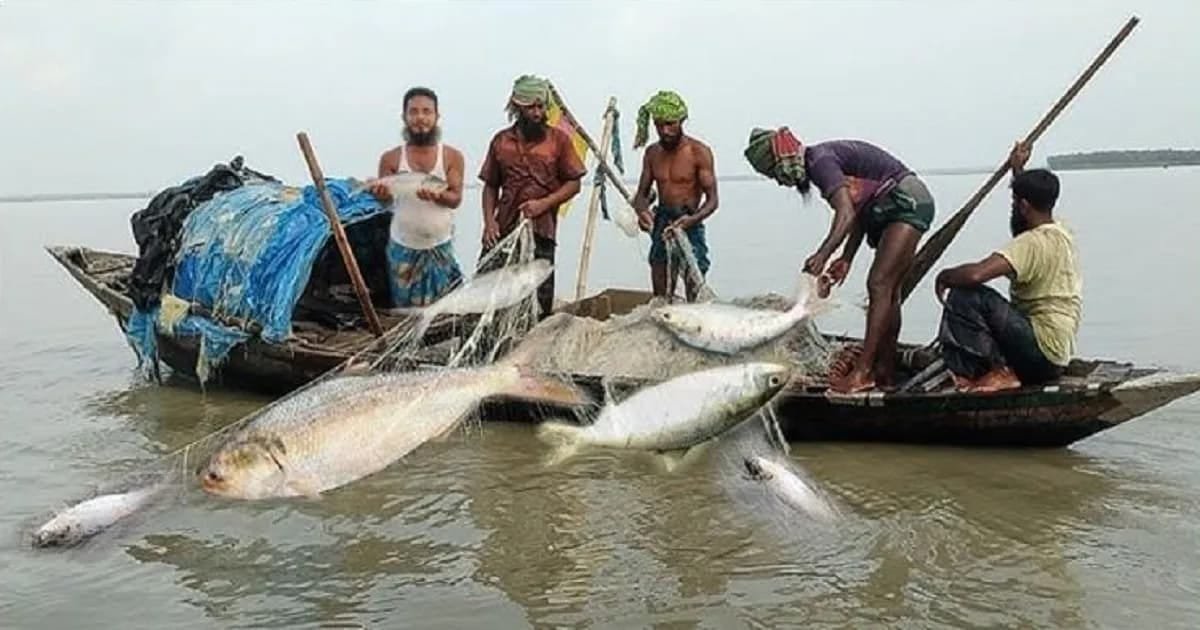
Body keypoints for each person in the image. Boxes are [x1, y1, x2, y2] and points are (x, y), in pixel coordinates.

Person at [743, 127, 935, 393]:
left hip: (906, 203)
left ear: (782, 160)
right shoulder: (821, 163)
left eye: (774, 172)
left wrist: (823, 255)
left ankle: (863, 373)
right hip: (899, 204)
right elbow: (858, 210)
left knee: (879, 285)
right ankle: (885, 371)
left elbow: (845, 214)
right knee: (890, 293)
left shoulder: (819, 162)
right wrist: (846, 258)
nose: (779, 181)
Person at [934, 141, 1081, 392]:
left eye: (1016, 204)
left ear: (1023, 206)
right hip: (1057, 355)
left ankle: (999, 371)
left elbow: (976, 274)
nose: (1014, 207)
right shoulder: (1062, 232)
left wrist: (944, 276)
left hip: (1041, 354)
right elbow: (1028, 213)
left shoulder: (1032, 243)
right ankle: (991, 369)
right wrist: (1018, 171)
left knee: (966, 294)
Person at [477, 74, 587, 319]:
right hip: (504, 228)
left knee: (540, 294)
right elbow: (490, 186)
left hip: (542, 229)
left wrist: (543, 204)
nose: (538, 113)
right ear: (517, 107)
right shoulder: (501, 141)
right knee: (486, 287)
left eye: (541, 107)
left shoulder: (559, 140)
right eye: (531, 108)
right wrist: (489, 222)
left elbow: (574, 184)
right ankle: (482, 347)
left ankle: (533, 346)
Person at [369, 86, 466, 307]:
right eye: (413, 112)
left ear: (436, 116)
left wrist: (435, 196)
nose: (420, 118)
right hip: (403, 248)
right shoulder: (391, 158)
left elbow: (455, 198)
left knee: (444, 312)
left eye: (426, 111)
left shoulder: (451, 156)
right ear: (404, 117)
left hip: (439, 247)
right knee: (406, 316)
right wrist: (380, 193)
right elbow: (385, 202)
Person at [631, 90, 719, 302]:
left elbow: (713, 201)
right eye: (659, 125)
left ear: (681, 121)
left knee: (694, 273)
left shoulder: (699, 152)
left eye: (670, 124)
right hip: (662, 219)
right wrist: (642, 212)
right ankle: (662, 309)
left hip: (689, 219)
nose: (665, 130)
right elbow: (641, 195)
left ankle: (694, 315)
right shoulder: (652, 153)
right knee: (659, 268)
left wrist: (692, 220)